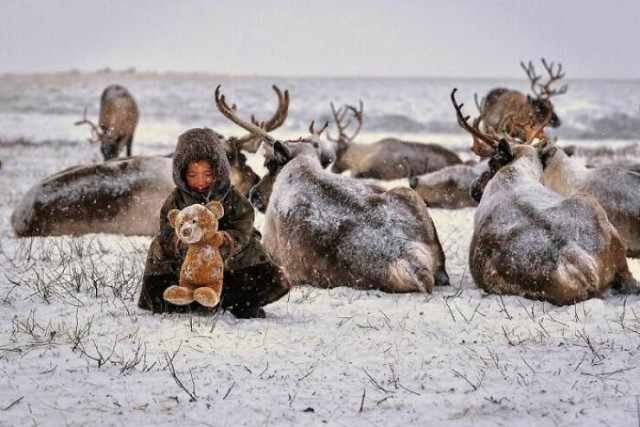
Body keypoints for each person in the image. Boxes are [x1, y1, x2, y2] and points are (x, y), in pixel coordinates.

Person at [137, 128, 290, 318]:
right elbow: (167, 223)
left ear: (218, 171)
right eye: (193, 175)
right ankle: (173, 299)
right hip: (188, 254)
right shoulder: (177, 198)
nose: (200, 181)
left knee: (252, 247)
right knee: (158, 247)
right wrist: (178, 241)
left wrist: (227, 239)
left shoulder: (230, 195)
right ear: (181, 174)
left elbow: (244, 220)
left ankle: (244, 300)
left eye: (207, 174)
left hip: (224, 249)